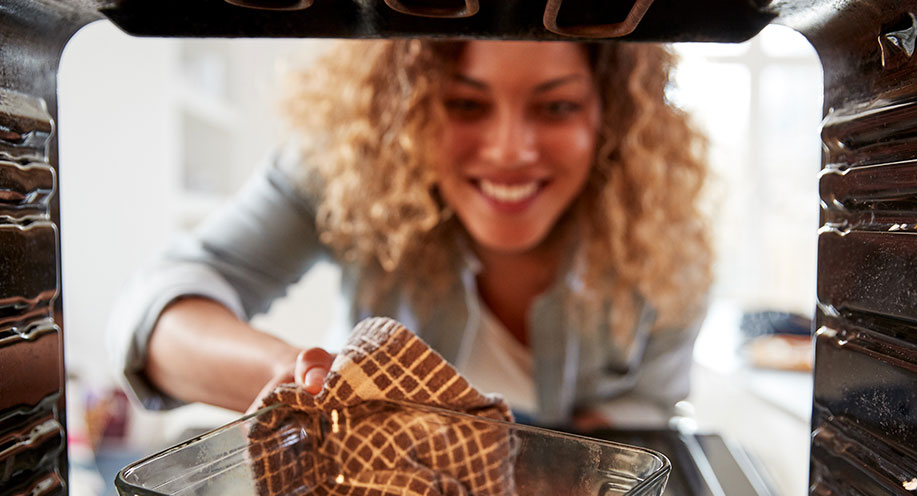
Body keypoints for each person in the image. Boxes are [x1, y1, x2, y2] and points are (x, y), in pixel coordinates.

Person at [107, 39, 712, 428]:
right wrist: (304, 381)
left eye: (556, 108)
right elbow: (154, 314)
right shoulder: (346, 172)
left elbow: (644, 422)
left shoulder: (662, 243)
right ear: (409, 108)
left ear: (609, 115)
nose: (509, 150)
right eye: (466, 105)